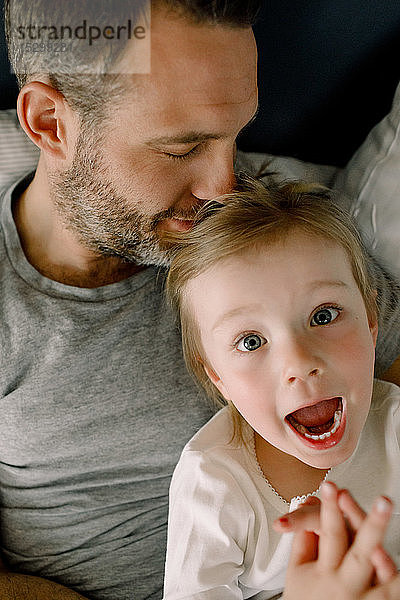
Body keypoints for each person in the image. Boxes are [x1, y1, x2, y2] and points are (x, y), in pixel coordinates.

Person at [1, 1, 400, 599]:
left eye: (236, 136)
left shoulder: (278, 227)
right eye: (182, 149)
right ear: (51, 122)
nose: (223, 188)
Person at [163, 176, 400, 599]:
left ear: (370, 319)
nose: (300, 364)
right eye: (251, 342)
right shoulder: (215, 479)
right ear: (217, 376)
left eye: (324, 316)